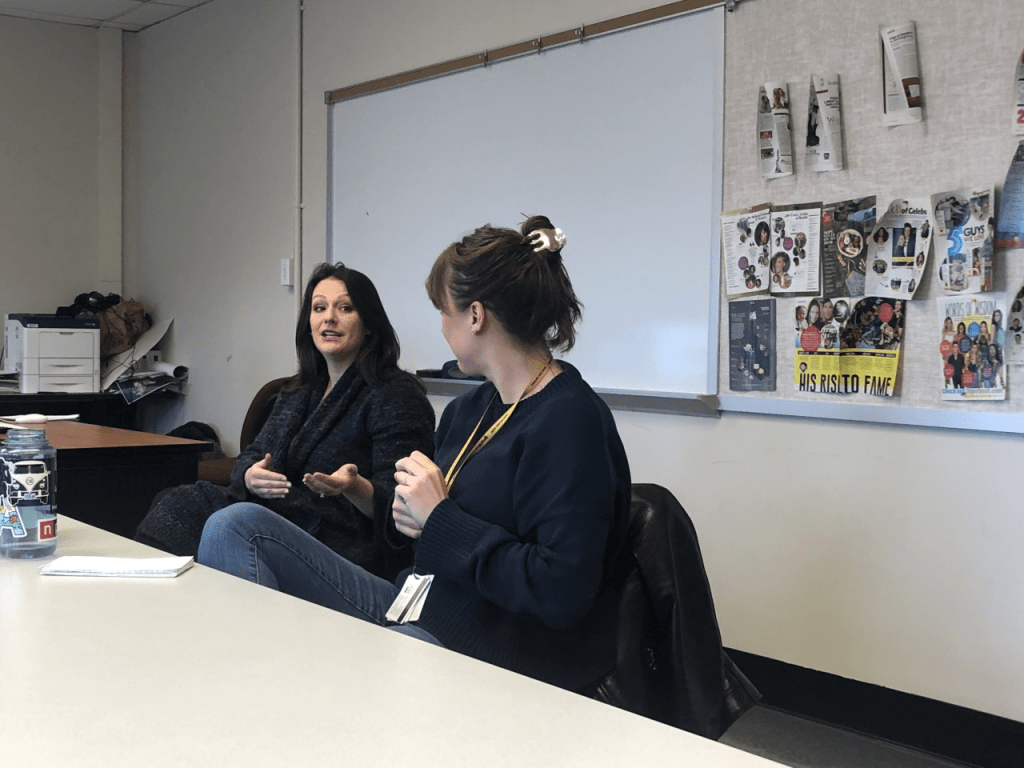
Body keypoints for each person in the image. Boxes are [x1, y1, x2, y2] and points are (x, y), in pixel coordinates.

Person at [198, 216, 633, 695]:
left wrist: (439, 517)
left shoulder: (571, 420)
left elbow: (560, 592)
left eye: (444, 312)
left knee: (393, 654)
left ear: (476, 316)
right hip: (416, 604)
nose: (442, 328)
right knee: (235, 526)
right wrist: (396, 511)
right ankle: (251, 694)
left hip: (492, 646)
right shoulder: (470, 409)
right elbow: (421, 541)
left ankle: (271, 700)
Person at [135, 262, 436, 581]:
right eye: (319, 308)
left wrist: (355, 487)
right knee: (175, 501)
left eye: (344, 308)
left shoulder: (396, 395)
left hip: (342, 543)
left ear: (370, 324)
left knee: (221, 520)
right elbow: (253, 453)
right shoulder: (298, 391)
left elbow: (404, 507)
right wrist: (251, 475)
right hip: (278, 515)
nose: (329, 318)